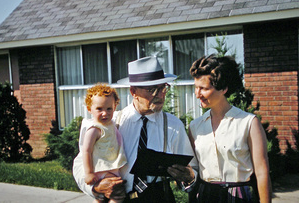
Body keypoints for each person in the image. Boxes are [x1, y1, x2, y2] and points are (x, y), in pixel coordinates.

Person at [73, 57, 198, 202]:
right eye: (152, 90)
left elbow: (192, 171)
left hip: (158, 197)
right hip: (121, 196)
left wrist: (189, 177)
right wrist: (95, 187)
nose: (160, 95)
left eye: (163, 88)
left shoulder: (173, 125)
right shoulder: (112, 122)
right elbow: (79, 165)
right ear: (133, 91)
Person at [188, 54, 272, 202]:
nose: (197, 94)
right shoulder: (195, 126)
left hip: (240, 196)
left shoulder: (248, 123)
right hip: (205, 195)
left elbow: (262, 173)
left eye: (203, 88)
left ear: (223, 89)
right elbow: (192, 170)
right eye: (196, 88)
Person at [76, 83, 127, 203]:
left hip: (110, 167)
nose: (105, 113)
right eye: (99, 109)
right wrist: (88, 173)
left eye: (109, 108)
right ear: (90, 109)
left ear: (114, 107)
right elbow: (86, 151)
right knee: (117, 193)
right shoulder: (94, 129)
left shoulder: (110, 124)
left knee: (102, 198)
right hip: (101, 169)